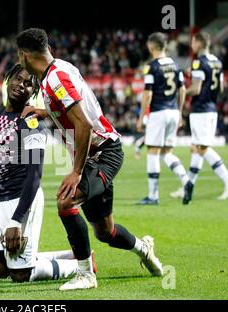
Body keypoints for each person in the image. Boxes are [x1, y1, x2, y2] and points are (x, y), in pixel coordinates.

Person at [16, 28, 163, 291]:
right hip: (97, 153)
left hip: (103, 152)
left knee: (65, 200)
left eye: (19, 56)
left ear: (25, 55)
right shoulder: (60, 69)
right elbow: (71, 111)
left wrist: (75, 171)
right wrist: (42, 112)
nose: (19, 61)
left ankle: (86, 274)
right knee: (105, 231)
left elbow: (83, 124)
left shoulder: (55, 79)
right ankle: (144, 248)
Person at [0, 64, 83, 283]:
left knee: (21, 275)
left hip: (21, 199)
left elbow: (34, 175)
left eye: (28, 84)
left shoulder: (32, 123)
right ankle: (70, 256)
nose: (20, 86)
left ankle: (78, 265)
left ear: (33, 92)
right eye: (18, 79)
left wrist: (16, 220)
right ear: (8, 79)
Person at [170, 32, 228, 200]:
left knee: (202, 148)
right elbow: (221, 88)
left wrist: (182, 92)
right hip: (212, 108)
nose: (192, 45)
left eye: (193, 42)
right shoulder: (217, 61)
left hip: (200, 109)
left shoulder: (198, 62)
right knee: (196, 148)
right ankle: (188, 186)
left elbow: (197, 88)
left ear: (199, 43)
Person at [136, 32, 193, 205]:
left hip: (159, 113)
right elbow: (182, 90)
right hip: (174, 112)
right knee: (167, 152)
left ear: (150, 46)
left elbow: (148, 93)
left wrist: (141, 117)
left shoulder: (151, 66)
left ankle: (153, 196)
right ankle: (186, 181)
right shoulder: (175, 65)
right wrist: (180, 112)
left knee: (152, 152)